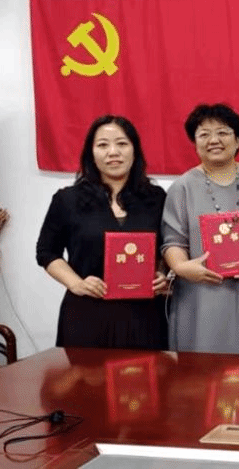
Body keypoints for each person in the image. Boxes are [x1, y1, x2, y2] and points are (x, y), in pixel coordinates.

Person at [36, 115, 168, 349]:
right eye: (103, 145)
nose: (113, 152)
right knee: (87, 374)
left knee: (145, 373)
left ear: (135, 151)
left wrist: (162, 274)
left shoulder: (156, 199)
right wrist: (76, 283)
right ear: (91, 153)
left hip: (144, 314)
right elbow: (46, 251)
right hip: (87, 313)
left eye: (122, 143)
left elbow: (167, 247)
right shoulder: (68, 199)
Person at [161, 103, 239, 355]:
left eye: (223, 132)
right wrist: (182, 267)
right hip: (200, 292)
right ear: (195, 142)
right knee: (203, 368)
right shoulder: (182, 188)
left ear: (238, 140)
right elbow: (173, 241)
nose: (214, 140)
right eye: (204, 134)